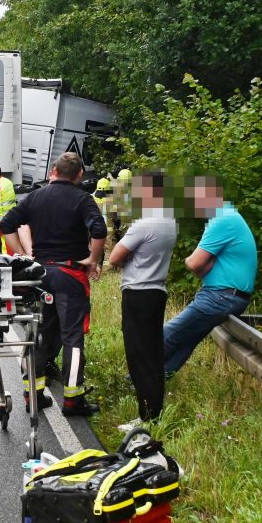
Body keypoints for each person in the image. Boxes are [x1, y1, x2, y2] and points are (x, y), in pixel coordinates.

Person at [0, 152, 107, 416]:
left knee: (39, 335)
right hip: (70, 275)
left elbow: (5, 224)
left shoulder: (35, 197)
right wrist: (93, 259)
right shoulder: (83, 200)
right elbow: (99, 230)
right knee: (72, 337)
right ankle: (73, 400)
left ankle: (33, 395)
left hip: (39, 276)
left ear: (54, 171)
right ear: (79, 175)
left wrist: (23, 255)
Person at [163, 175, 258, 378]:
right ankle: (155, 381)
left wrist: (191, 262)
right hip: (227, 296)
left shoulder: (223, 220)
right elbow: (202, 267)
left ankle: (137, 379)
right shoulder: (228, 216)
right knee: (186, 340)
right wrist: (201, 265)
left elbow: (195, 263)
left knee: (167, 334)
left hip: (221, 297)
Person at [108, 172, 177, 423]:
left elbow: (115, 257)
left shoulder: (145, 223)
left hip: (138, 293)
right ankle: (152, 412)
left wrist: (127, 257)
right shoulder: (169, 220)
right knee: (152, 355)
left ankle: (147, 417)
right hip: (156, 291)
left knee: (139, 356)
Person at [92, 176, 115, 247]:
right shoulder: (112, 201)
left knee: (95, 251)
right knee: (109, 249)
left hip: (94, 229)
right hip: (108, 230)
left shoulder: (91, 199)